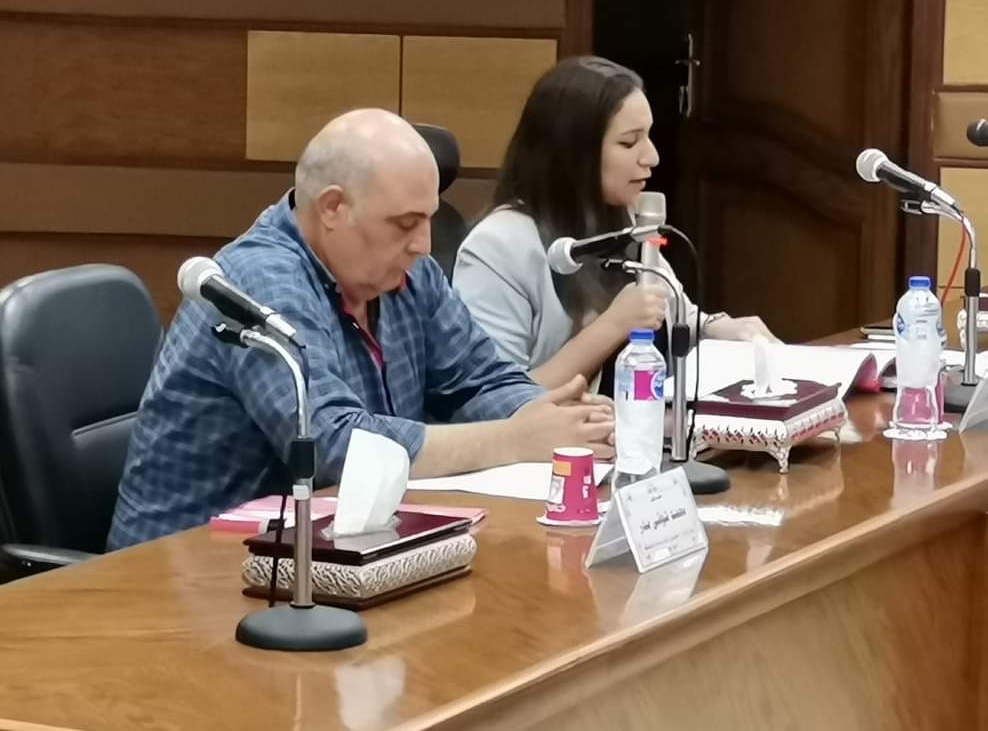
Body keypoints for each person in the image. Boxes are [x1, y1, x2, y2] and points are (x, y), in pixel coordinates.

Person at [109, 110, 613, 548]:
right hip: (182, 574)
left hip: (330, 552)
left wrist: (563, 424)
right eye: (404, 224)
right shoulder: (260, 283)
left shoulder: (408, 274)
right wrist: (514, 439)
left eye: (429, 220)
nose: (424, 244)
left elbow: (479, 379)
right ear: (334, 208)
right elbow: (333, 447)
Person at [453, 57, 777, 392]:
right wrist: (612, 326)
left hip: (636, 419)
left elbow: (667, 310)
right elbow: (493, 399)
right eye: (629, 142)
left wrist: (715, 328)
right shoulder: (496, 247)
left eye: (648, 137)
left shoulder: (625, 218)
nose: (651, 157)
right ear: (573, 151)